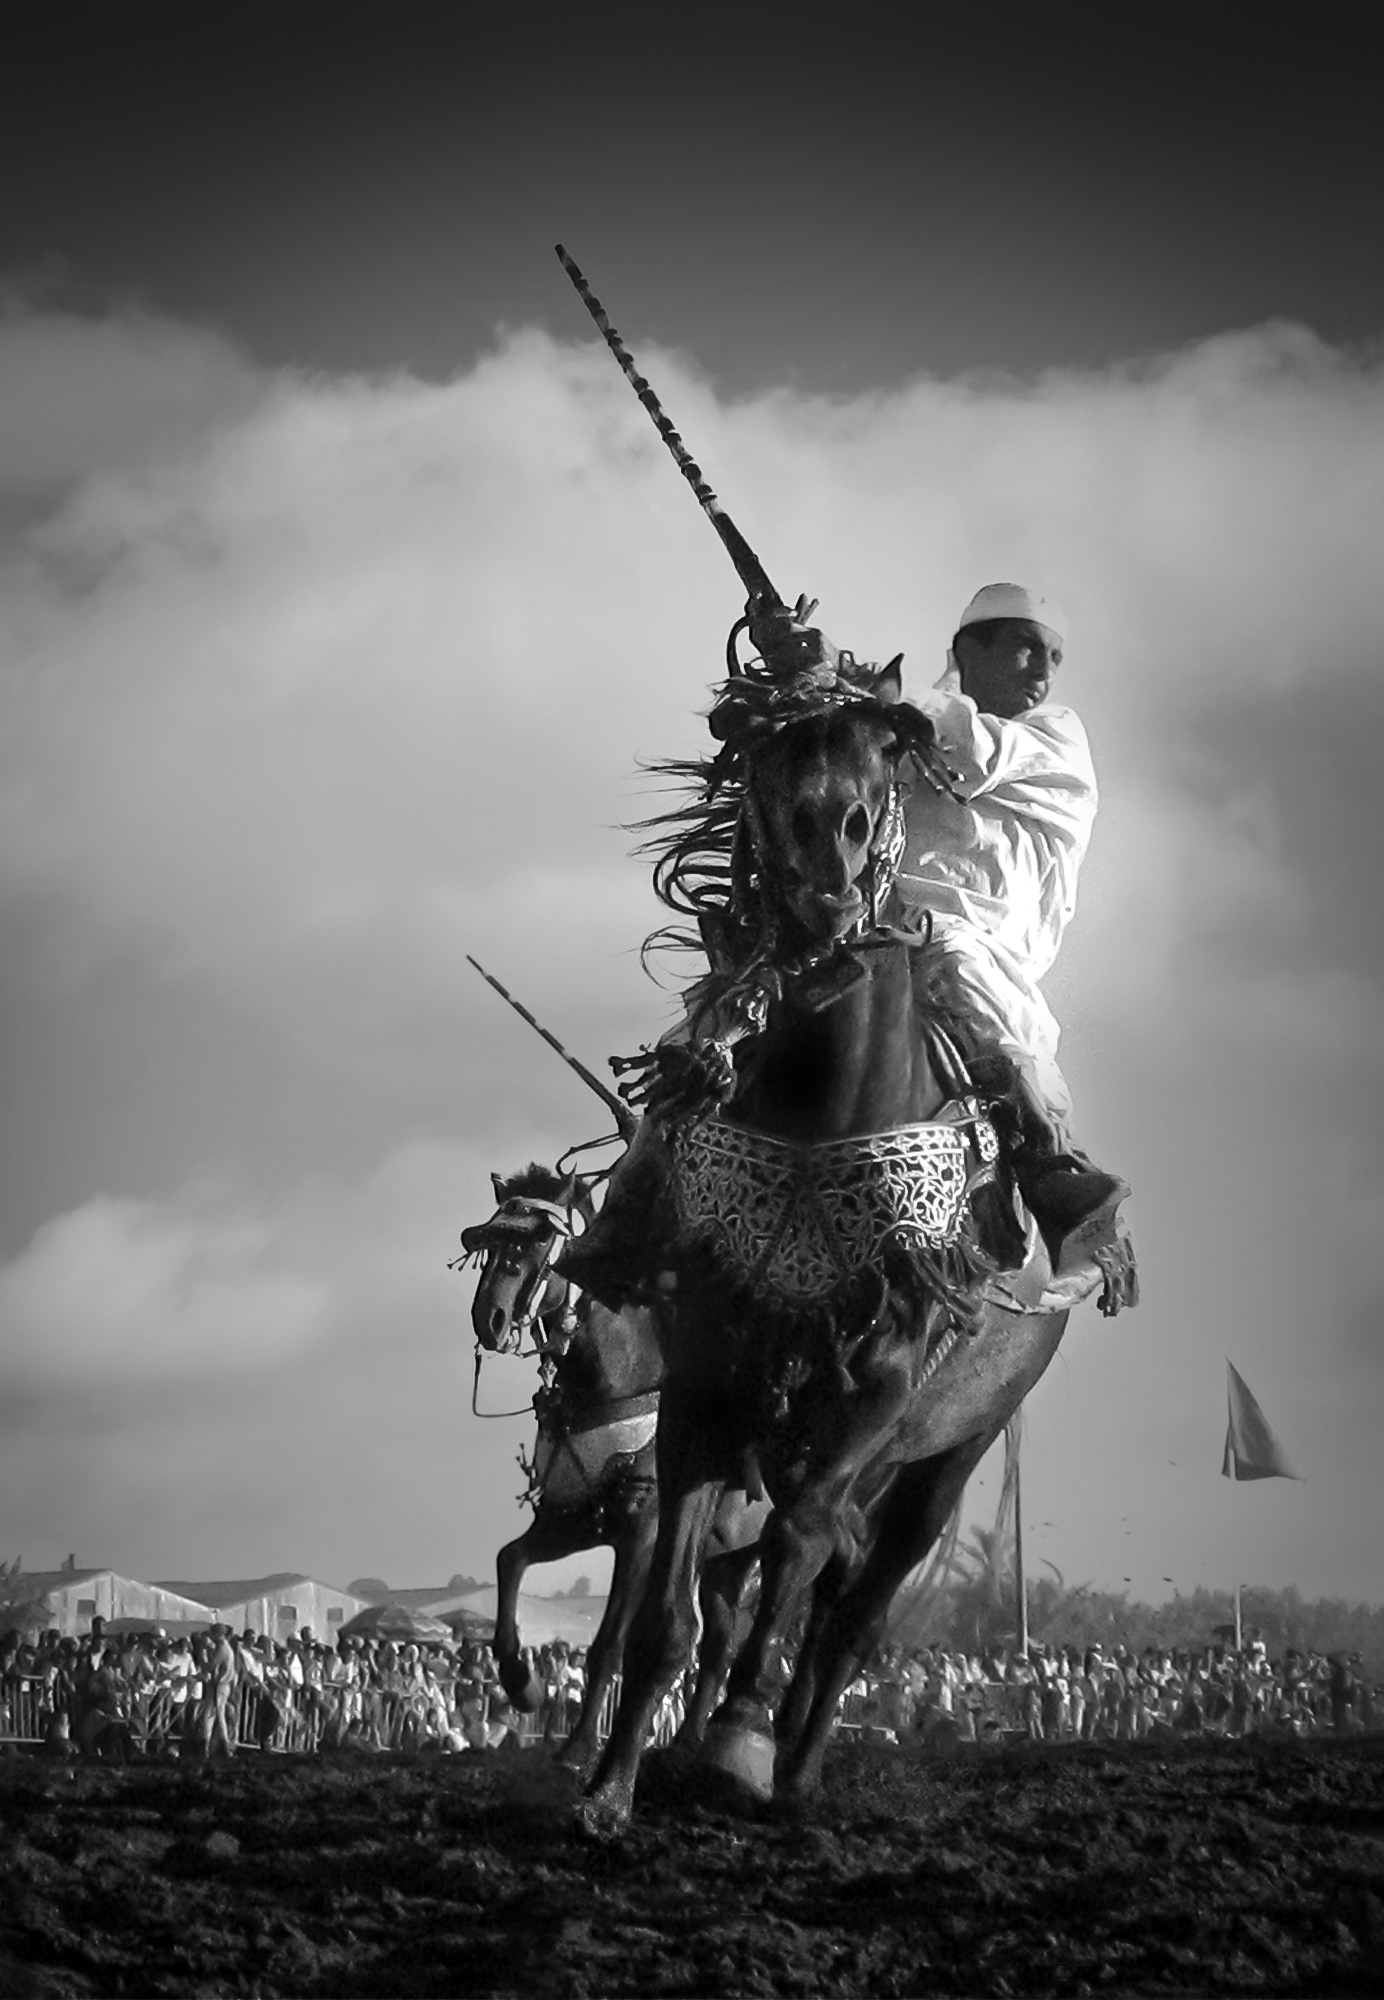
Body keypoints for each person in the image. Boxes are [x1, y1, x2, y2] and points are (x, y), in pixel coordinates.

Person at [565, 581, 1133, 1311]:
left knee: (983, 1006)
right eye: (1026, 647)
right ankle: (630, 1214)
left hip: (974, 943)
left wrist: (839, 666)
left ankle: (1067, 1196)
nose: (1043, 670)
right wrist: (791, 663)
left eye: (1053, 656)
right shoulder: (907, 726)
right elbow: (841, 746)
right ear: (969, 649)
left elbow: (971, 751)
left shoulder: (1054, 738)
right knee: (706, 1031)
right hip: (858, 929)